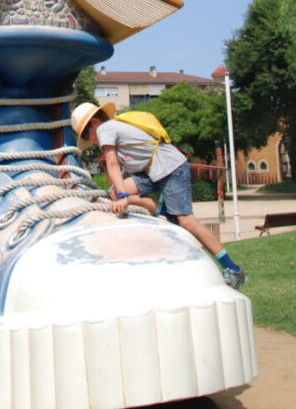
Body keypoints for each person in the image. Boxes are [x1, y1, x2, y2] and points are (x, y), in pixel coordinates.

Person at [71, 102, 246, 289]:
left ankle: (233, 269)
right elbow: (121, 170)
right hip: (152, 171)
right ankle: (159, 207)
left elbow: (112, 164)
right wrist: (118, 194)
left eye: (86, 135)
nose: (92, 141)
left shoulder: (105, 128)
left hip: (170, 168)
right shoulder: (113, 128)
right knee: (114, 193)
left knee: (186, 222)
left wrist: (123, 195)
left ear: (95, 123)